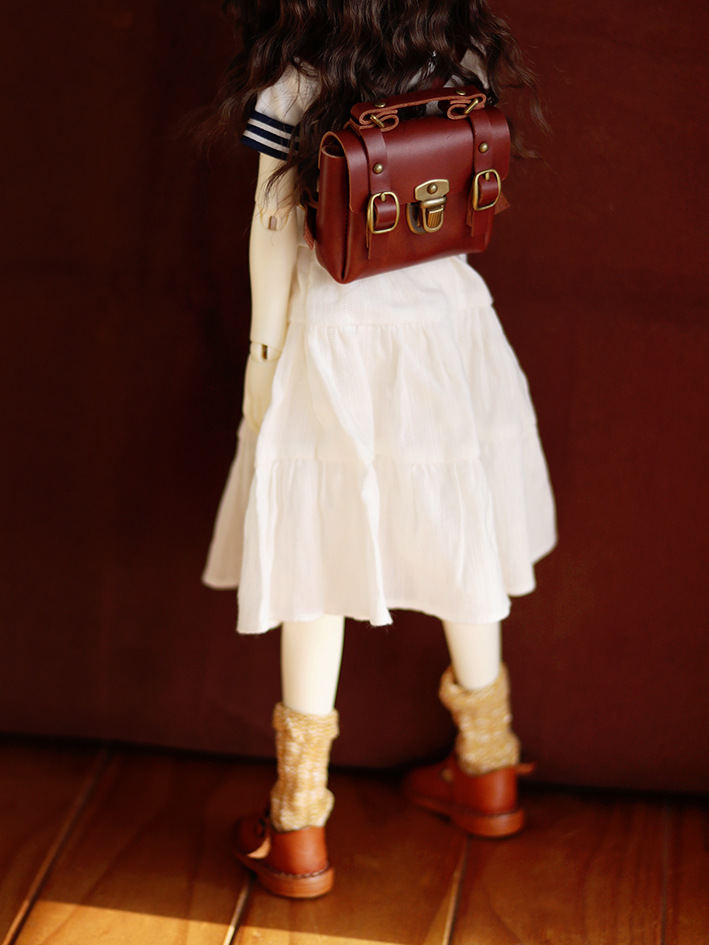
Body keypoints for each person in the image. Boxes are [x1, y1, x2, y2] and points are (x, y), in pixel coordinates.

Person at [202, 0, 556, 899]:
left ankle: (299, 821)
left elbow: (272, 229)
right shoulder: (459, 52)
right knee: (460, 532)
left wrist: (262, 360)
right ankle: (488, 768)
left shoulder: (298, 79)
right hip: (446, 325)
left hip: (331, 333)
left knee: (314, 562)